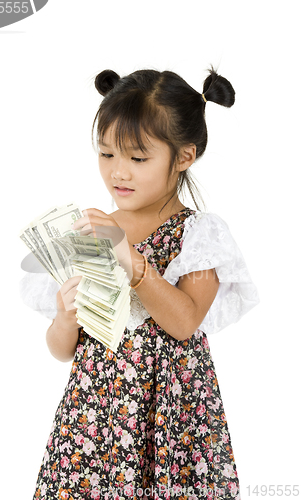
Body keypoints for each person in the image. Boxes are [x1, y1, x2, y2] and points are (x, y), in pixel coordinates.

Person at [20, 67, 260, 500]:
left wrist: (130, 259)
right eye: (107, 154)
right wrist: (63, 317)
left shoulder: (199, 234)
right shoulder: (90, 230)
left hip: (170, 415)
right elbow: (63, 350)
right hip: (94, 417)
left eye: (137, 158)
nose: (118, 173)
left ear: (183, 157)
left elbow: (185, 321)